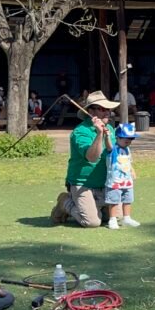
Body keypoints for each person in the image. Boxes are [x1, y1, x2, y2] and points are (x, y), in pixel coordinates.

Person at [50, 91, 119, 228]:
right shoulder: (80, 132)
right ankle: (65, 202)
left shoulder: (110, 128)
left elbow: (115, 153)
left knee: (118, 216)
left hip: (104, 183)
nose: (108, 113)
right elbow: (92, 158)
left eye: (109, 109)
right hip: (82, 184)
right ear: (91, 111)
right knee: (92, 222)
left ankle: (94, 206)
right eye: (102, 109)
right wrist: (99, 134)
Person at [104, 122, 140, 230]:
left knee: (128, 199)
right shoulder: (113, 149)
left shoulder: (127, 149)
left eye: (131, 138)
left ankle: (127, 217)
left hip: (127, 180)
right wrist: (106, 136)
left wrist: (132, 170)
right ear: (117, 138)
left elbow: (129, 162)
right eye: (125, 138)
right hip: (115, 181)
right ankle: (112, 219)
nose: (128, 140)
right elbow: (108, 146)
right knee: (114, 201)